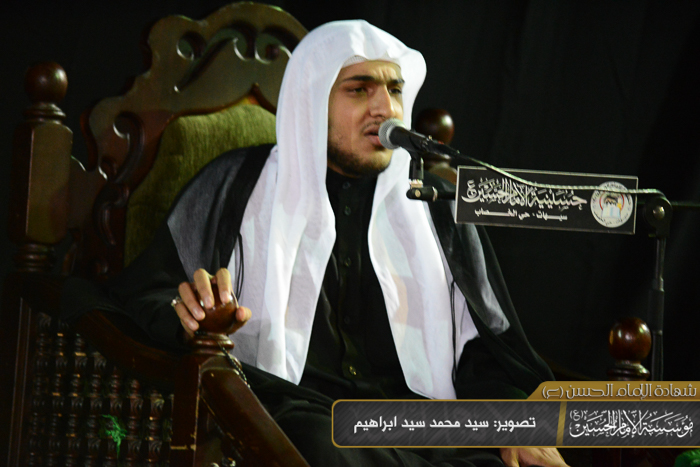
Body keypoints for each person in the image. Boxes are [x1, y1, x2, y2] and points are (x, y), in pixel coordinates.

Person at [65, 20, 568, 467]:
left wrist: (511, 421)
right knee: (317, 443)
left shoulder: (433, 209)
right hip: (296, 415)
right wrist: (193, 316)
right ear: (310, 102)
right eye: (359, 89)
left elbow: (485, 350)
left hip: (419, 430)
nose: (386, 109)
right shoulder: (237, 185)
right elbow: (146, 296)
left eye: (395, 90)